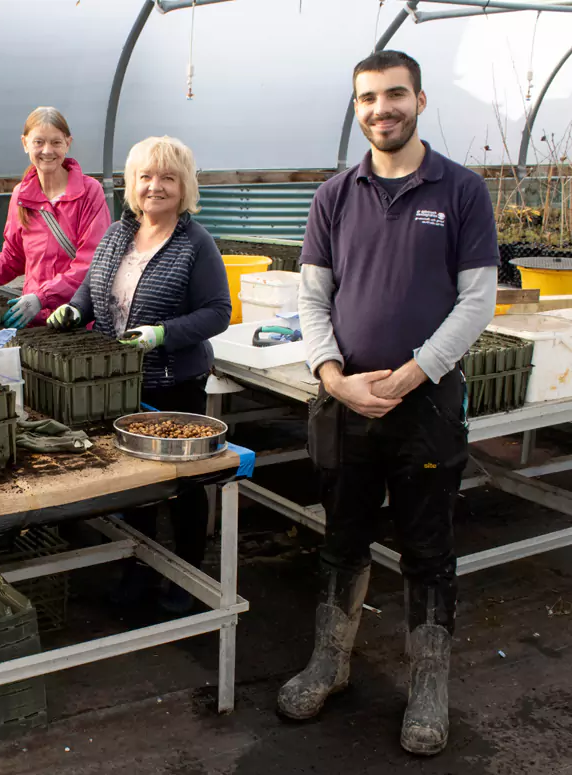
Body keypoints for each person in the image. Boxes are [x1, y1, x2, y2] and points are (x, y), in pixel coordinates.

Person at [280, 51, 498, 756]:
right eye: (368, 98)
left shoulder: (461, 191)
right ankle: (330, 660)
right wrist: (334, 376)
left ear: (421, 100)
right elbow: (312, 297)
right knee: (340, 536)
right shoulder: (334, 195)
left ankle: (428, 683)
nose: (382, 109)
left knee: (428, 547)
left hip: (425, 403)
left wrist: (409, 375)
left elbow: (477, 302)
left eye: (395, 95)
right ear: (357, 108)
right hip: (345, 402)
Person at [48, 136, 231, 612]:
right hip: (120, 383)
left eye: (168, 177)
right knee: (136, 485)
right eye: (146, 177)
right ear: (132, 184)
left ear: (184, 185)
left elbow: (217, 312)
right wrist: (73, 309)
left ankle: (188, 577)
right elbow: (93, 287)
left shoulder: (196, 243)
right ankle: (140, 570)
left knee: (184, 485)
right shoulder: (117, 234)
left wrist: (161, 334)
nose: (155, 187)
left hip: (175, 383)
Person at [0, 107, 110, 328]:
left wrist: (41, 297)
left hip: (76, 317)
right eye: (38, 142)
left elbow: (91, 263)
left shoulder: (89, 192)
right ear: (25, 143)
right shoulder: (21, 195)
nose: (47, 151)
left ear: (68, 143)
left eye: (56, 142)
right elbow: (13, 256)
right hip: (32, 319)